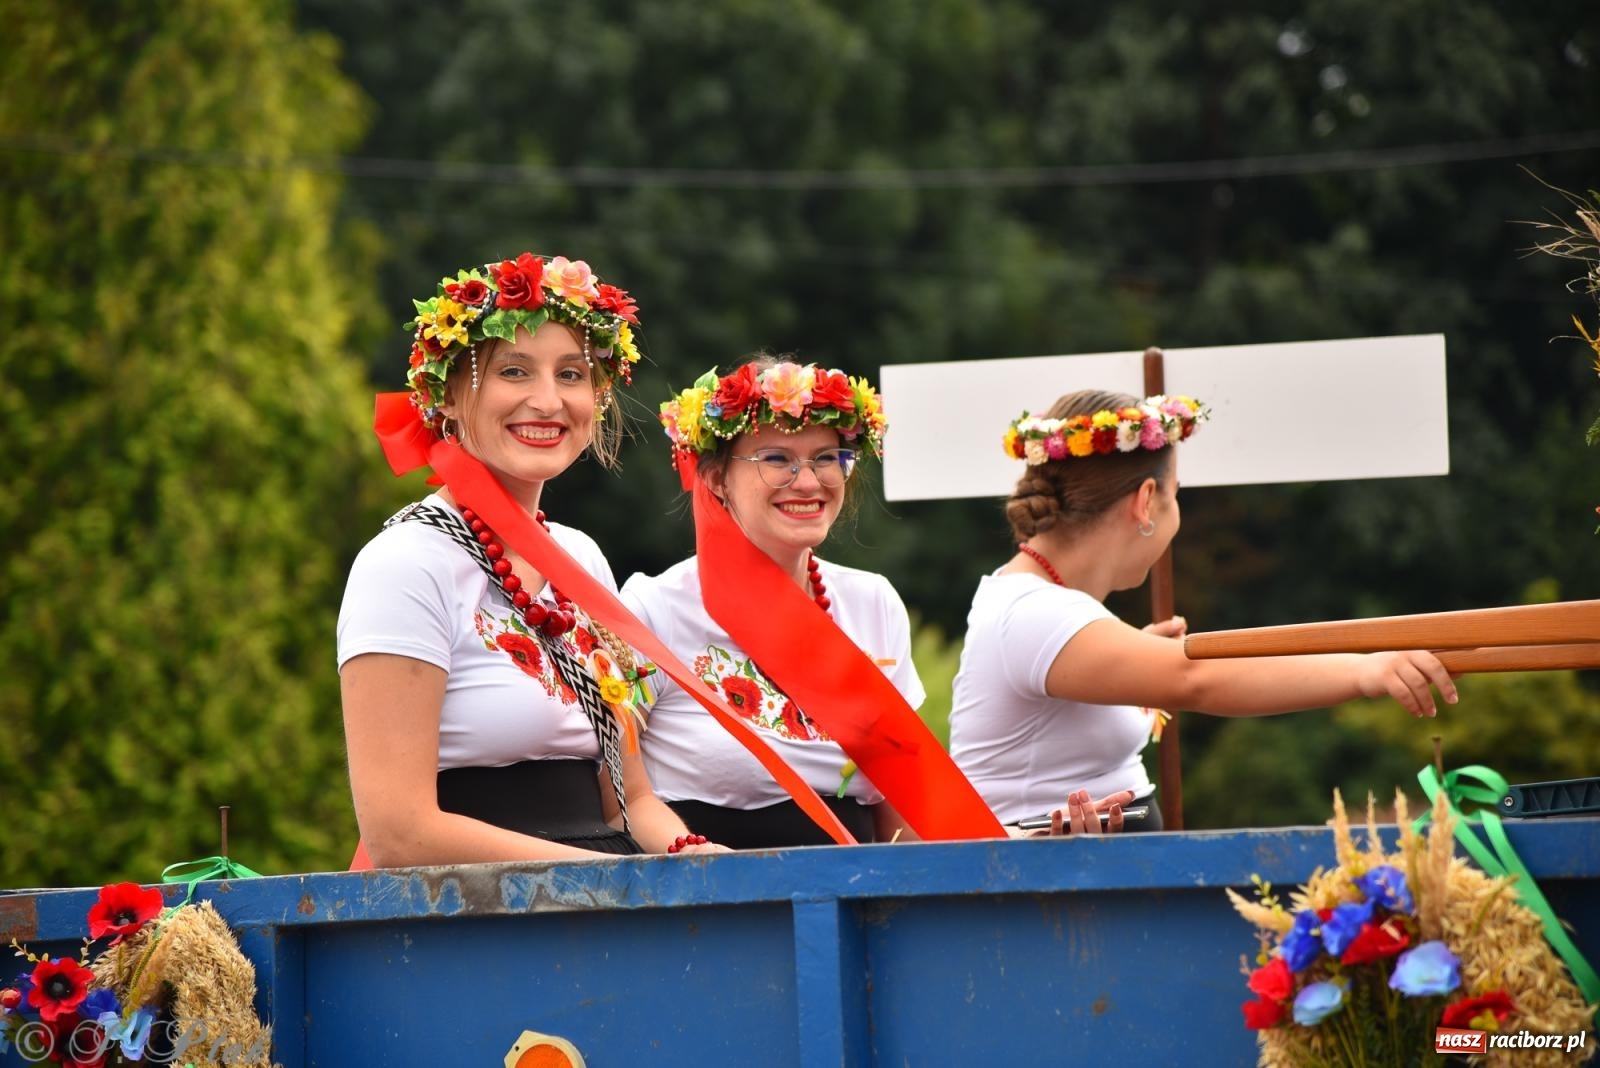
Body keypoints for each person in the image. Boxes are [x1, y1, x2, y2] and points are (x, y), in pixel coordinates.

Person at [622, 357, 1126, 848]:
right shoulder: (655, 608)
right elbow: (623, 796)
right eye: (776, 459)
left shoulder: (871, 603)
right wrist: (696, 857)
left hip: (858, 900)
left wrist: (1020, 841)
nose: (807, 481)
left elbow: (901, 825)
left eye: (826, 458)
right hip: (711, 900)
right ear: (714, 479)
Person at [337, 250, 719, 865]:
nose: (547, 400)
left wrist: (702, 859)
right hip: (468, 919)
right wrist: (617, 881)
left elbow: (628, 803)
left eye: (571, 374)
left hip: (602, 902)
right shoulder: (406, 564)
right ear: (449, 397)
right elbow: (399, 833)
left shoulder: (581, 559)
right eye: (514, 372)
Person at [949, 389, 1458, 831]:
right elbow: (1199, 679)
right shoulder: (1036, 614)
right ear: (1146, 501)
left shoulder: (1041, 607)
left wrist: (1135, 653)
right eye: (1177, 495)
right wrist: (1366, 669)